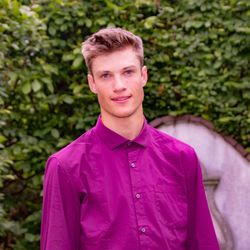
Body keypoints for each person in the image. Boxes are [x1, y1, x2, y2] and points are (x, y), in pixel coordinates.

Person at [40, 27, 219, 250]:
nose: (119, 86)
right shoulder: (65, 167)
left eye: (128, 72)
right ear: (92, 83)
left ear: (143, 75)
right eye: (106, 75)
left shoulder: (182, 157)